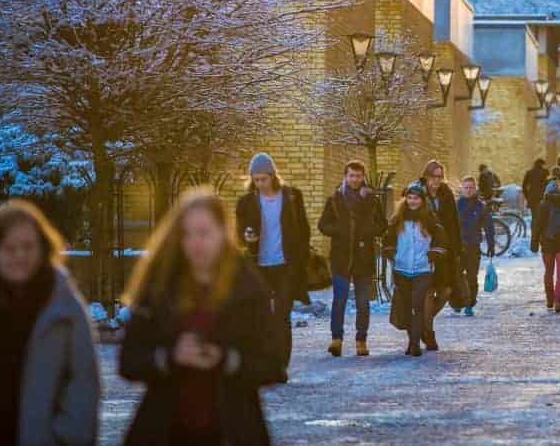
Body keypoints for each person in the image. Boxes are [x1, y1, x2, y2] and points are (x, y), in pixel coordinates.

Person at [121, 188, 284, 445]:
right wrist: (170, 357)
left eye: (205, 233)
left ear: (223, 233)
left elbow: (273, 365)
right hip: (165, 429)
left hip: (233, 428)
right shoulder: (160, 285)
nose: (196, 243)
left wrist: (227, 359)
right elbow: (129, 360)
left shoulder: (248, 287)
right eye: (187, 234)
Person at [0, 200, 99, 446]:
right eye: (10, 248)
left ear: (42, 248)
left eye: (28, 246)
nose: (19, 255)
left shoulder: (66, 306)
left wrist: (66, 437)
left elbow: (84, 381)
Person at [235, 152, 311, 370]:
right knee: (261, 317)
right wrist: (247, 237)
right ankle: (264, 363)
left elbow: (304, 230)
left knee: (281, 316)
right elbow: (239, 232)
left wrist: (300, 260)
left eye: (263, 179)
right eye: (256, 180)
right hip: (259, 266)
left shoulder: (292, 196)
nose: (260, 184)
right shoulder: (247, 202)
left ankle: (279, 367)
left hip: (286, 266)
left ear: (273, 176)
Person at [317, 160, 387, 358]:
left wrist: (367, 232)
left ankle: (361, 340)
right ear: (345, 176)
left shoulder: (372, 200)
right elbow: (323, 225)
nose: (355, 179)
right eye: (351, 176)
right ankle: (336, 340)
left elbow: (382, 225)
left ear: (363, 177)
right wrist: (341, 231)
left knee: (363, 302)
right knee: (339, 300)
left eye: (358, 176)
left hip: (364, 258)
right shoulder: (335, 199)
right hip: (341, 257)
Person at [382, 184, 448, 356]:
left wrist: (434, 254)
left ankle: (414, 344)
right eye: (410, 198)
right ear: (405, 199)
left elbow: (442, 241)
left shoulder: (430, 219)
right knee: (405, 306)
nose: (412, 201)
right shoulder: (398, 220)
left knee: (417, 305)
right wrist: (390, 251)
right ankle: (412, 339)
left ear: (422, 200)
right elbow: (387, 239)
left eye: (416, 198)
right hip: (401, 268)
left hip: (422, 269)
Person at [418, 160, 461, 351]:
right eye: (433, 176)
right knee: (428, 292)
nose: (436, 180)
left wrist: (457, 250)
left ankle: (419, 324)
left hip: (445, 251)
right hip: (424, 250)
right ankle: (428, 332)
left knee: (445, 291)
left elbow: (454, 223)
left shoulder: (446, 194)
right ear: (426, 176)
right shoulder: (416, 192)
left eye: (439, 177)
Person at [530, 179, 560, 312]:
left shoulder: (544, 205)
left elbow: (538, 225)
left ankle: (549, 299)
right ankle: (558, 301)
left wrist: (534, 241)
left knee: (549, 272)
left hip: (548, 242)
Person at [457, 176, 495, 316]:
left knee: (472, 276)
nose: (468, 190)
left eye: (471, 187)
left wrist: (491, 244)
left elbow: (489, 226)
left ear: (475, 188)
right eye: (466, 187)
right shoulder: (456, 205)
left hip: (473, 246)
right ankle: (457, 301)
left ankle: (469, 304)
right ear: (461, 188)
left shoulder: (481, 206)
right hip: (458, 248)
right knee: (457, 276)